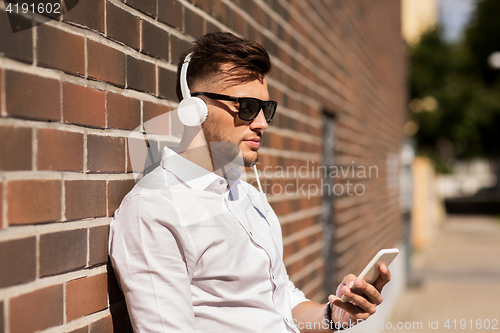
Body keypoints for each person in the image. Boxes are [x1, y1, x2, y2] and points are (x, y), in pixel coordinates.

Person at [108, 32, 391, 333]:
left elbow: (281, 303)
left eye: (266, 109)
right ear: (195, 110)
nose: (262, 123)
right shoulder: (154, 210)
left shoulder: (250, 198)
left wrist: (334, 315)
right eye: (247, 107)